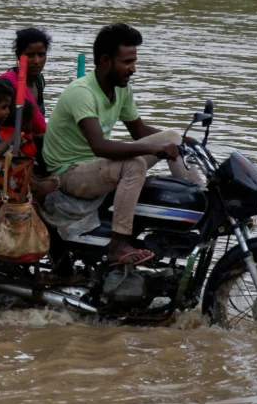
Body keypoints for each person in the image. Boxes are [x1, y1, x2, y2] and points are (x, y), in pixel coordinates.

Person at [42, 23, 204, 267]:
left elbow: (138, 131)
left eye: (134, 61)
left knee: (171, 135)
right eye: (127, 62)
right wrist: (151, 150)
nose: (133, 69)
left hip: (96, 167)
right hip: (70, 173)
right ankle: (118, 243)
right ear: (106, 60)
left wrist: (184, 140)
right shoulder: (82, 93)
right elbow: (100, 147)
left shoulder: (121, 90)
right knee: (134, 165)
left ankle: (201, 201)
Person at [0, 27, 51, 143]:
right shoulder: (6, 84)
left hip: (32, 141)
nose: (37, 61)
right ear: (18, 56)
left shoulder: (39, 81)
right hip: (7, 145)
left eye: (41, 54)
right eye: (30, 55)